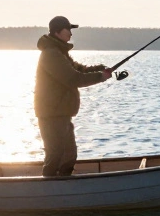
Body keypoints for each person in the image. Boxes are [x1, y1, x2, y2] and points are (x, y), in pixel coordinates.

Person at [35, 16, 111, 177]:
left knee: (69, 156)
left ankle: (64, 188)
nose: (70, 33)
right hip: (52, 115)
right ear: (57, 32)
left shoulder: (60, 53)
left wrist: (100, 69)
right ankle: (48, 192)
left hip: (61, 114)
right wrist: (100, 77)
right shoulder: (51, 54)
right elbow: (73, 79)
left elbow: (80, 71)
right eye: (68, 30)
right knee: (56, 155)